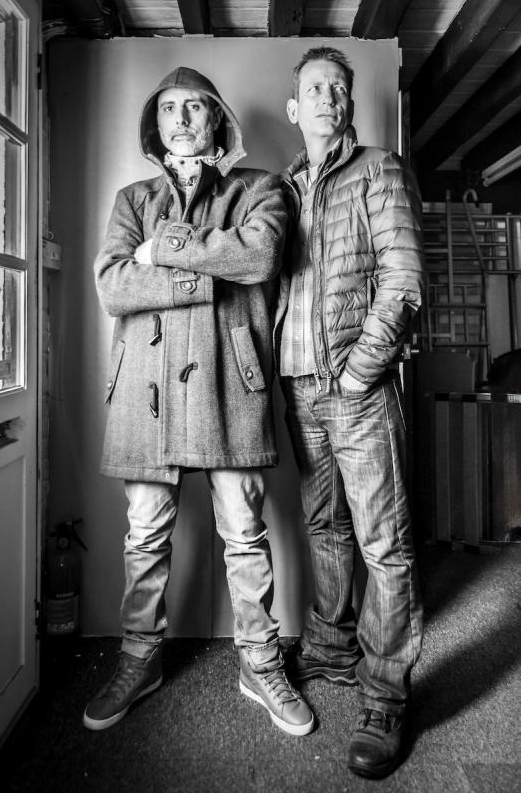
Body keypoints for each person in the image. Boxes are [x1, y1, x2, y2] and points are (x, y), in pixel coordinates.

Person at [84, 65, 313, 737]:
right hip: (143, 391)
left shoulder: (260, 188)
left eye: (194, 107)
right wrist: (201, 278)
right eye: (168, 108)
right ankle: (139, 658)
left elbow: (259, 257)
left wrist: (163, 251)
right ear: (153, 125)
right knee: (144, 536)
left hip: (228, 385)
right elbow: (112, 286)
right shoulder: (132, 199)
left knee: (245, 535)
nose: (181, 119)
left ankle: (259, 662)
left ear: (217, 119)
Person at [275, 46, 425, 778]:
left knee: (383, 544)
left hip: (357, 389)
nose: (328, 97)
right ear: (294, 108)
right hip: (297, 388)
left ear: (349, 103)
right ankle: (331, 648)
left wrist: (362, 370)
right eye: (314, 88)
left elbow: (403, 280)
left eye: (338, 88)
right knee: (325, 527)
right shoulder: (281, 188)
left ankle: (386, 695)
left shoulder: (379, 170)